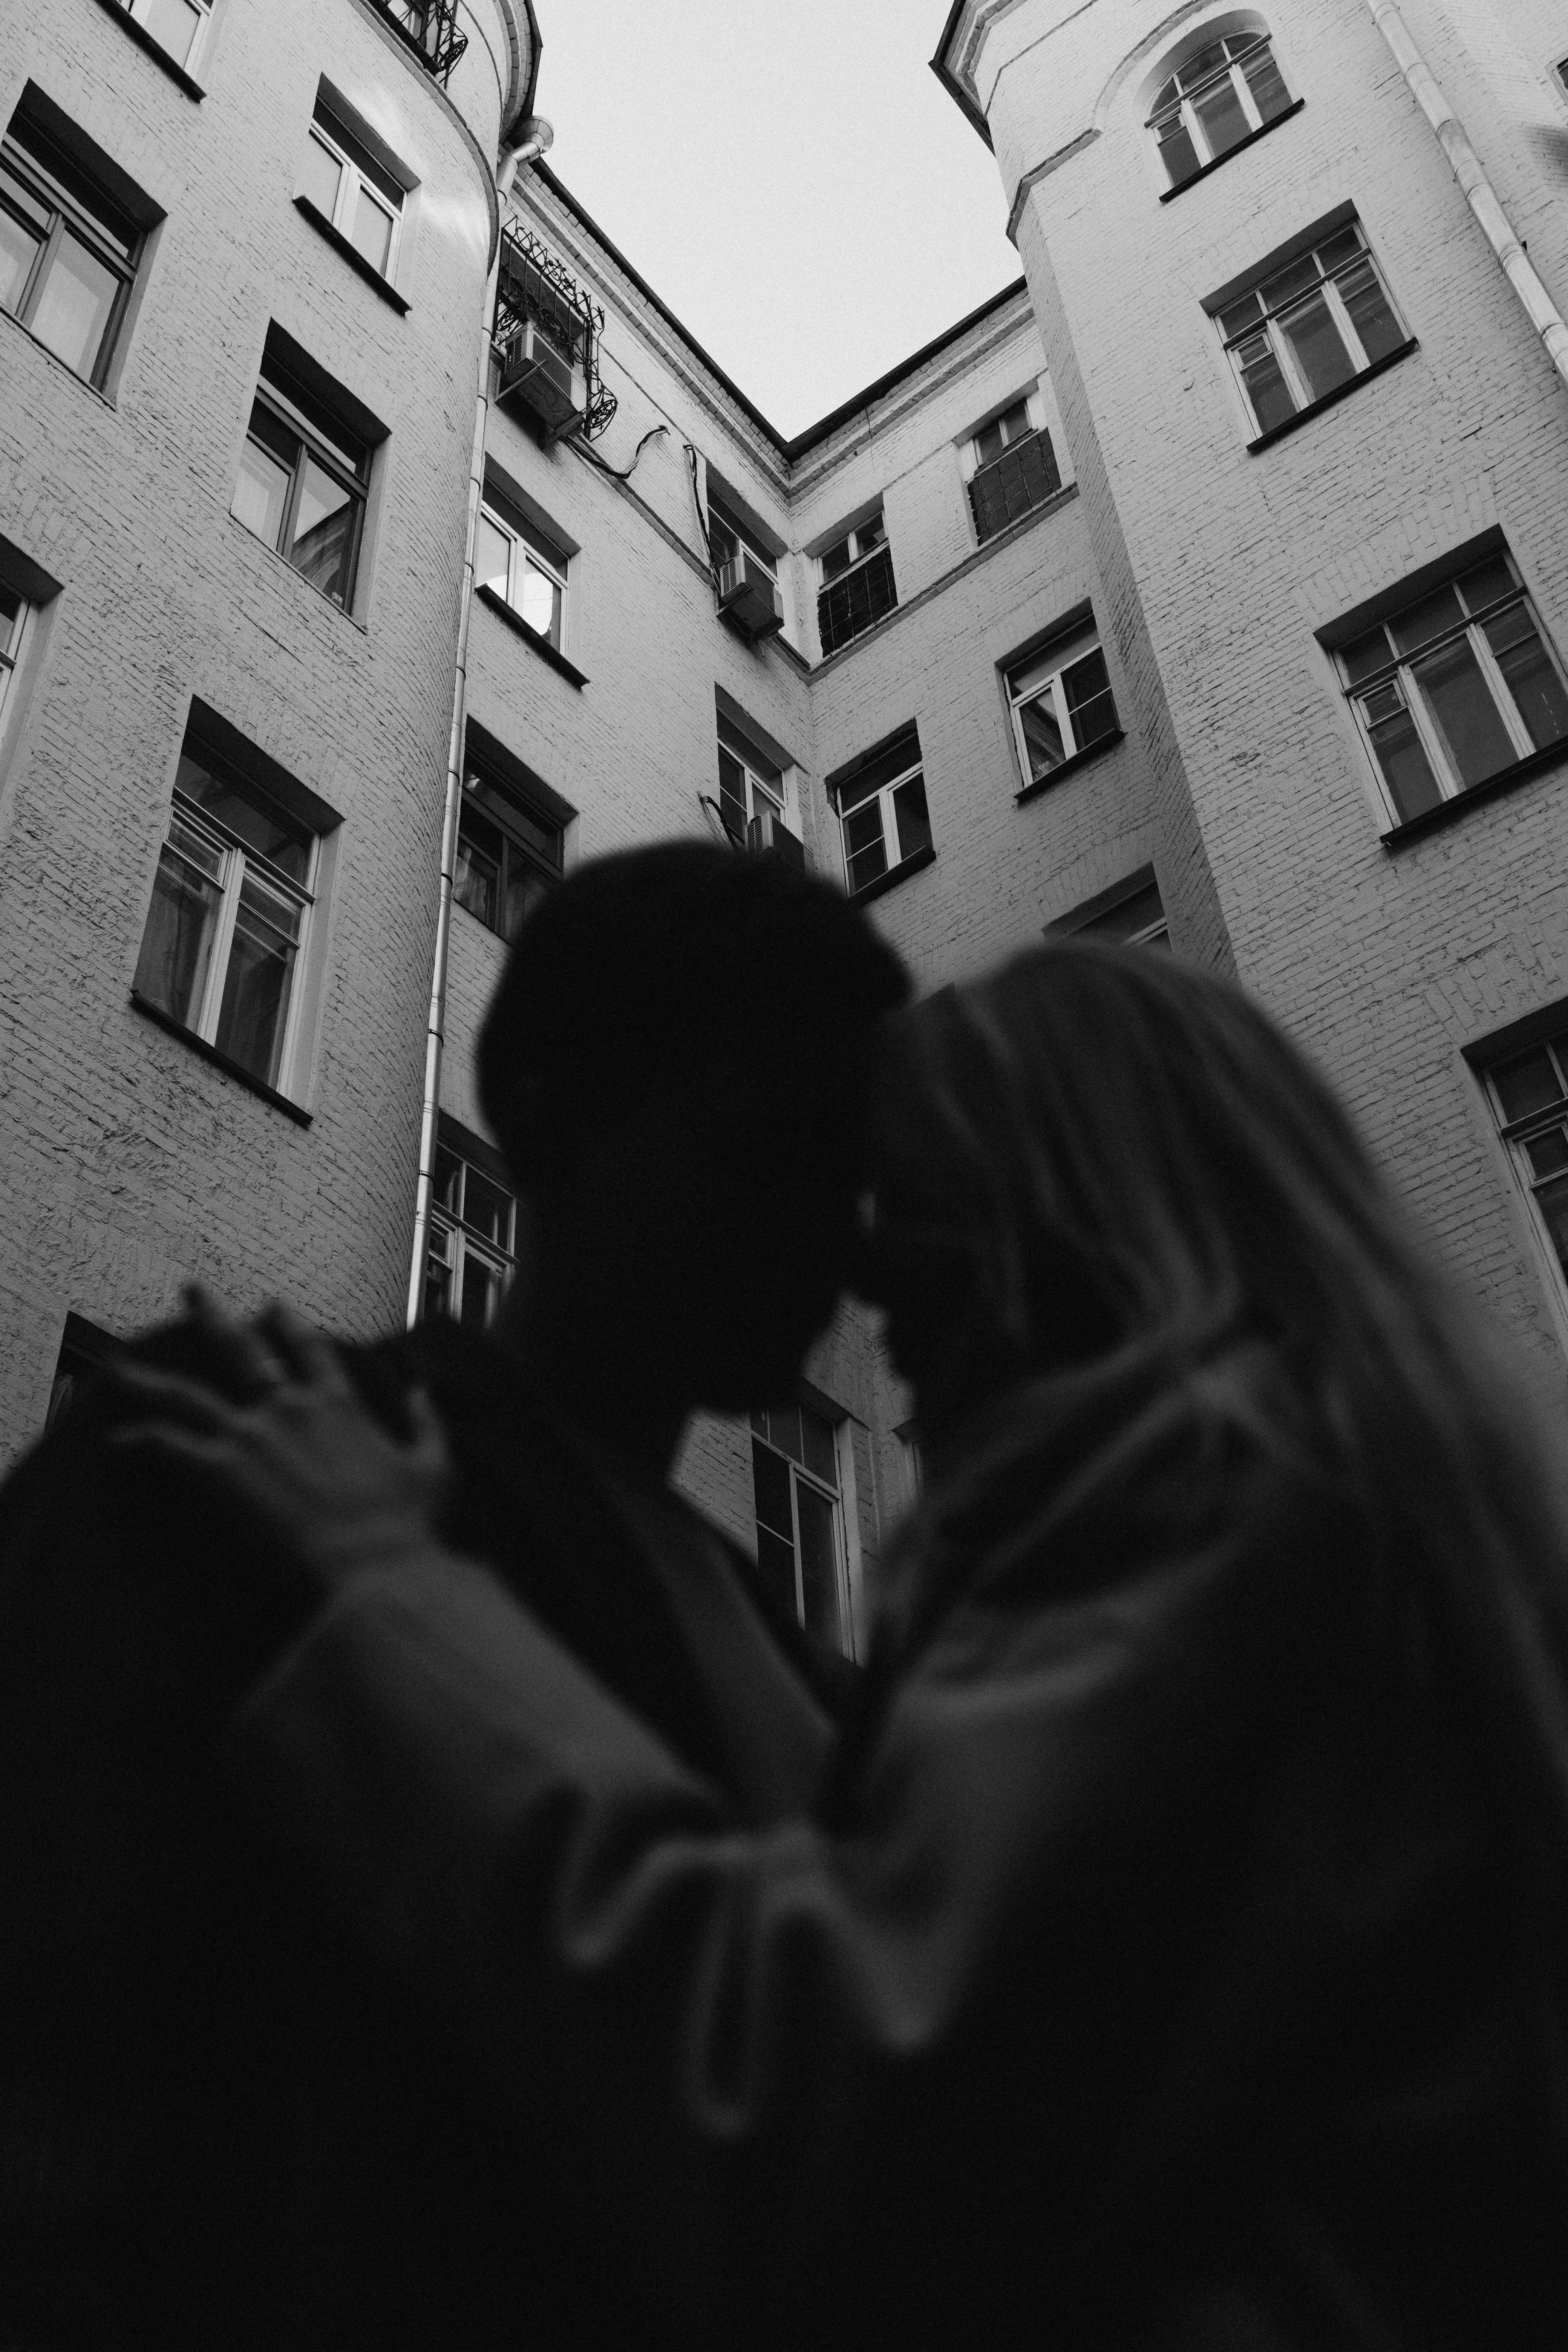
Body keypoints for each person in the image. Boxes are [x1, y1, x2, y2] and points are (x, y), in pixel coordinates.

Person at [112, 940, 1568, 2350]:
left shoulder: (1213, 1512)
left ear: (1073, 1205)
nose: (868, 1275)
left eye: (912, 1193)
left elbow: (829, 2110)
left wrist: (386, 1586)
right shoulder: (1362, 1513)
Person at [0, 841, 908, 2349]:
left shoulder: (777, 1647)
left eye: (852, 1175)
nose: (830, 1241)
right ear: (552, 1114)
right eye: (766, 1151)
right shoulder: (225, 1448)